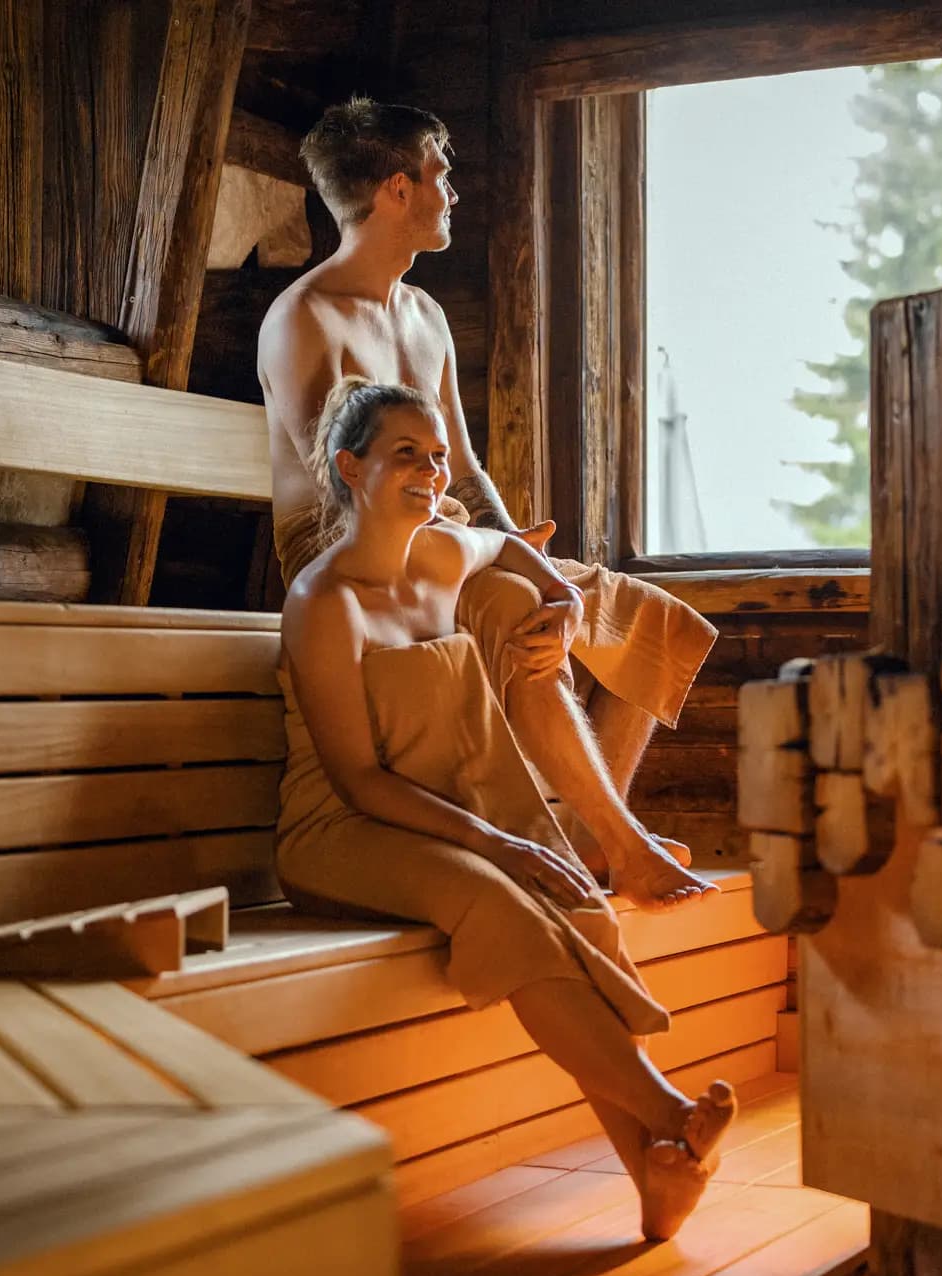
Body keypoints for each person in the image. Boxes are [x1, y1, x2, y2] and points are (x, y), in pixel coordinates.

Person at [277, 377, 735, 1239]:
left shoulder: (442, 556)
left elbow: (502, 548)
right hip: (339, 834)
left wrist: (560, 603)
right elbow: (357, 782)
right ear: (351, 466)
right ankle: (670, 1113)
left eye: (437, 454)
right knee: (500, 901)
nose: (429, 469)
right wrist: (498, 842)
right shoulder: (323, 603)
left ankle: (652, 1175)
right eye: (403, 453)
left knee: (564, 897)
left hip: (437, 815)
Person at [258, 96, 717, 911]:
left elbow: (463, 470)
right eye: (442, 171)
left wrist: (519, 546)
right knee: (513, 601)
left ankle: (577, 840)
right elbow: (341, 489)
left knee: (646, 614)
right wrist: (490, 560)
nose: (453, 190)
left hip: (444, 533)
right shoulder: (305, 318)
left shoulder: (426, 317)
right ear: (398, 189)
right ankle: (622, 845)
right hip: (355, 550)